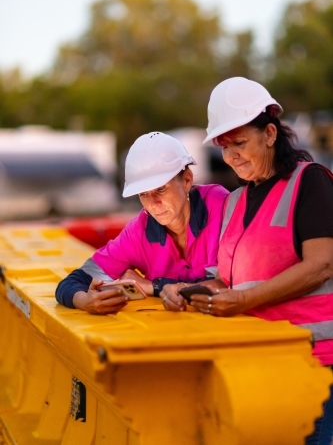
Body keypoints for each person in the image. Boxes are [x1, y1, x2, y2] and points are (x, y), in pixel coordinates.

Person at [161, 77, 333, 445]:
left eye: (240, 143)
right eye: (224, 147)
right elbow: (230, 280)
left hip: (317, 364)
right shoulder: (236, 201)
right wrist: (185, 290)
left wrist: (243, 301)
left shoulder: (310, 182)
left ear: (270, 134)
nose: (232, 155)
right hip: (262, 365)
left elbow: (322, 265)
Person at [55, 131, 229, 314]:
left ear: (186, 180)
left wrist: (153, 286)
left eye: (161, 189)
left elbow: (231, 283)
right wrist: (84, 300)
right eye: (143, 194)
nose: (153, 203)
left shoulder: (221, 207)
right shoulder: (139, 231)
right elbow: (71, 282)